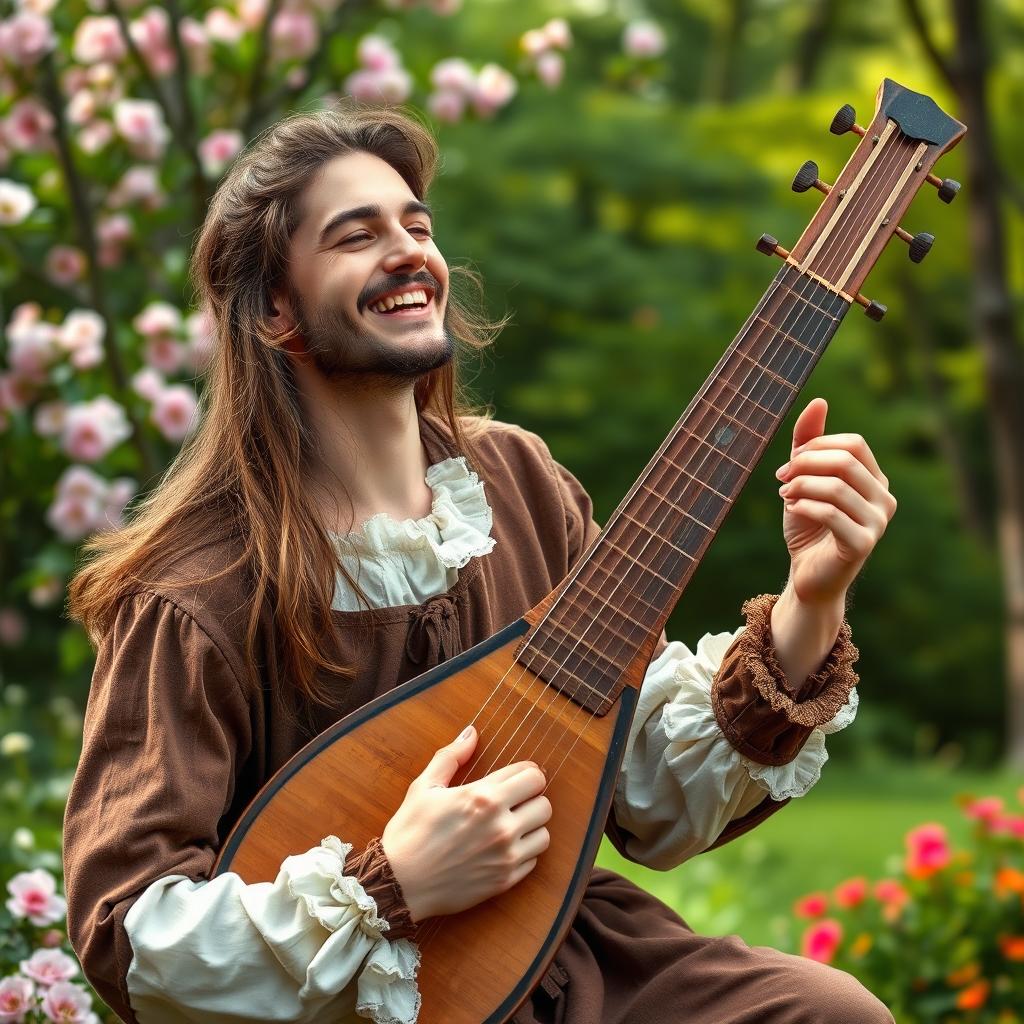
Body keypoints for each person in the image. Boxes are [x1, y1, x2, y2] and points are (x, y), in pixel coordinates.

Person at [62, 102, 897, 1024]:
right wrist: (391, 888)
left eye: (417, 225)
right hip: (351, 1001)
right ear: (272, 310)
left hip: (563, 956)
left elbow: (639, 789)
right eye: (357, 235)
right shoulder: (196, 589)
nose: (409, 250)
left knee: (830, 1014)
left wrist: (810, 602)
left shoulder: (521, 484)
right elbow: (125, 932)